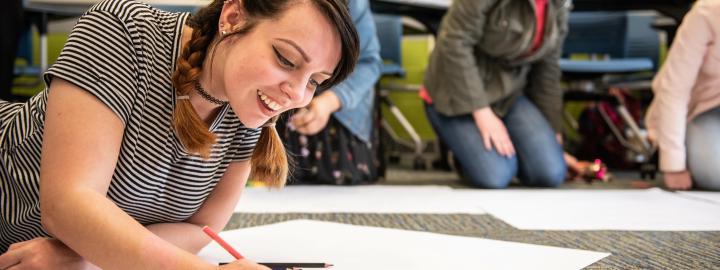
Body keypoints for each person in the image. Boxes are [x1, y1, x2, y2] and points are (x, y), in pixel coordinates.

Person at [0, 0, 358, 269]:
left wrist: (80, 259)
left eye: (314, 81)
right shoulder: (122, 31)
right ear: (233, 16)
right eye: (285, 59)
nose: (297, 95)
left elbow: (201, 229)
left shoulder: (247, 111)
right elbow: (67, 205)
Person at [421, 0, 571, 188]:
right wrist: (482, 112)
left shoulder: (560, 4)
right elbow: (454, 43)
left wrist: (553, 133)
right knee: (495, 176)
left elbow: (547, 68)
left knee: (551, 173)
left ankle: (508, 153)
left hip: (508, 96)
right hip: (455, 93)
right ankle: (466, 154)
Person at [277, 0, 382, 185]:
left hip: (336, 101)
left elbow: (369, 62)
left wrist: (330, 102)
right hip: (280, 95)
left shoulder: (355, 4)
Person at [645, 0, 720, 191]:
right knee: (713, 174)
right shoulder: (706, 13)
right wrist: (673, 165)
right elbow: (674, 91)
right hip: (701, 109)